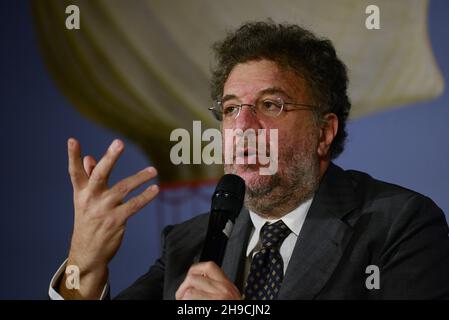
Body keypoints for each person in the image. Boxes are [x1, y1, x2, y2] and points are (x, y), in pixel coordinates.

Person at [49, 21, 449, 300]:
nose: (243, 126)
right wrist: (83, 264)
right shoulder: (188, 244)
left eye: (270, 105)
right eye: (230, 108)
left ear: (323, 133)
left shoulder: (400, 226)